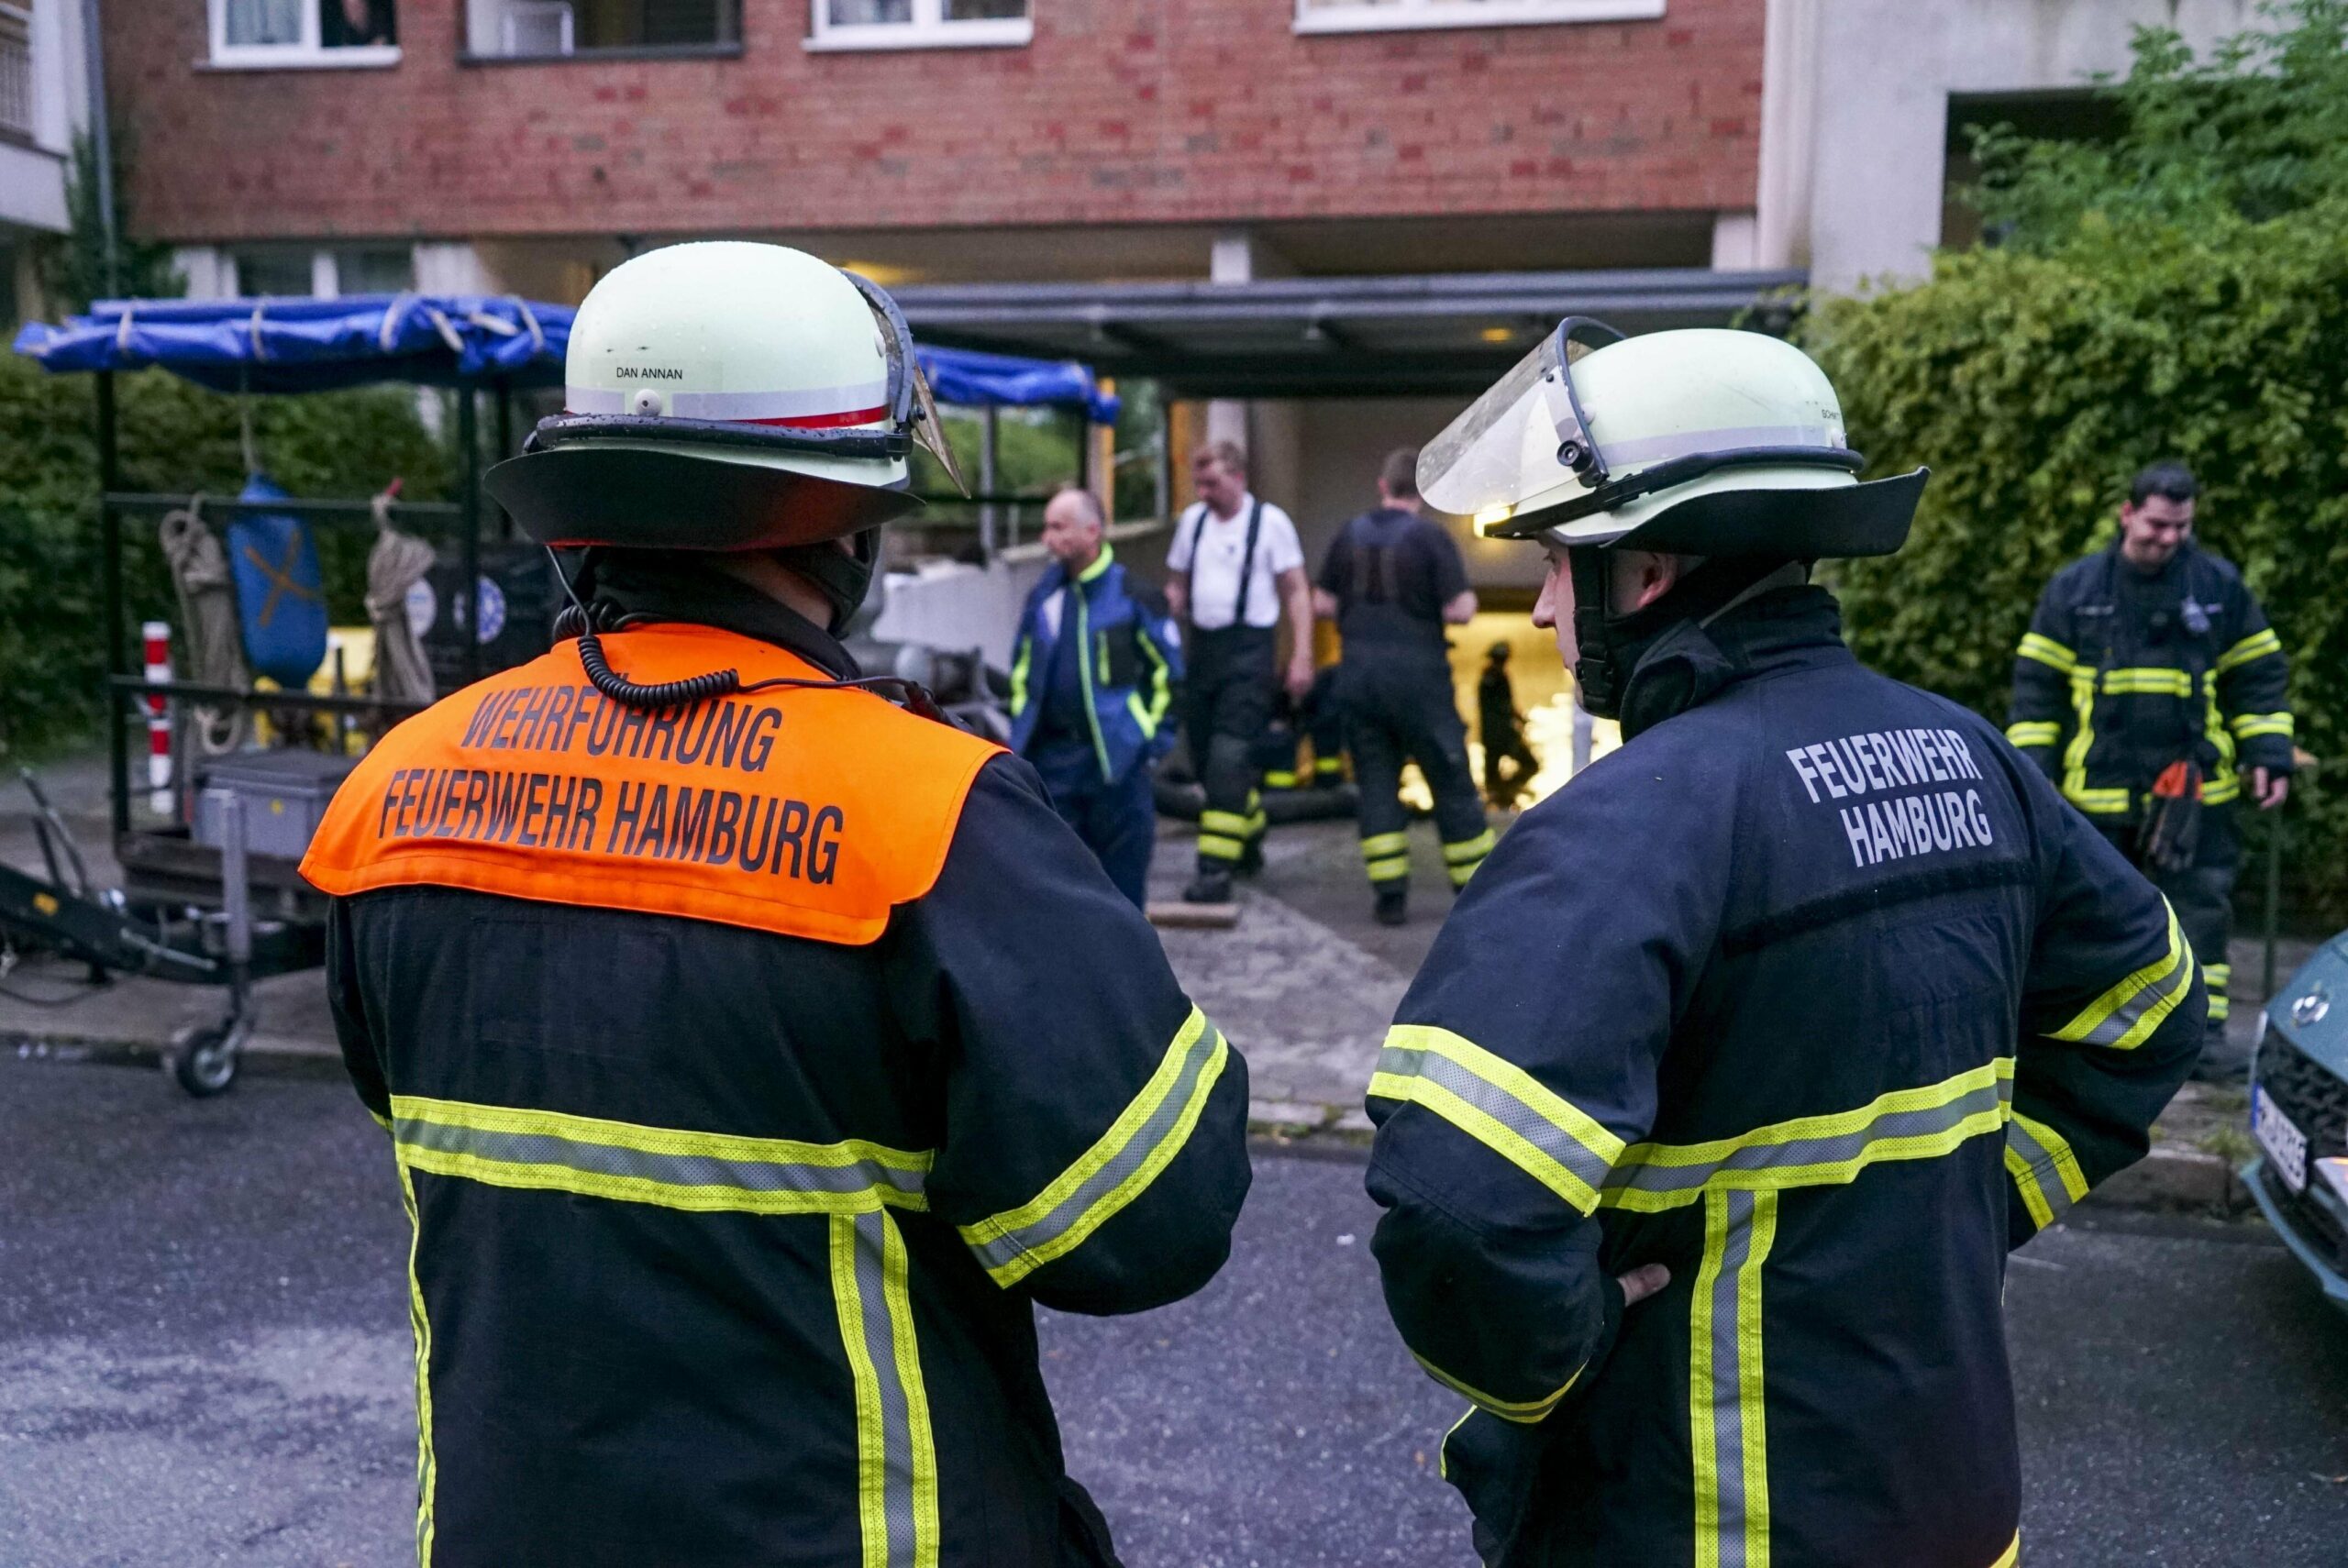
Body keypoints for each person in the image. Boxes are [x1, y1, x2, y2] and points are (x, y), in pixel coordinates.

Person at [300, 242, 1251, 1568]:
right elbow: (1153, 1217)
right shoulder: (931, 815)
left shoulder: (394, 793)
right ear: (847, 522)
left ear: (584, 501)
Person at [1366, 322, 2199, 1568]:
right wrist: (1961, 1211)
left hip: (1712, 1521)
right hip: (1956, 1508)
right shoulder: (1969, 757)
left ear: (1644, 569)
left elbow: (1456, 1211)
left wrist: (1572, 1347)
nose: (1542, 607)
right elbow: (2154, 1007)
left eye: (1555, 561)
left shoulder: (1627, 827)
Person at [2007, 461, 2291, 1079]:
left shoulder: (2217, 588)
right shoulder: (2076, 590)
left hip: (2195, 798)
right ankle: (2098, 1043)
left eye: (2181, 528)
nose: (2168, 538)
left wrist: (2267, 753)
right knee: (2095, 922)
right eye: (2158, 525)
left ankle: (2201, 1043)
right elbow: (2037, 693)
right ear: (2128, 514)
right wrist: (2032, 775)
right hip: (2096, 795)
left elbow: (2259, 676)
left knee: (2201, 920)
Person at [1314, 447, 1490, 926]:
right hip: (1420, 683)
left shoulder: (1348, 534)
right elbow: (1462, 609)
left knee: (1376, 786)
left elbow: (1321, 603)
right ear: (1423, 492)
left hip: (1359, 680)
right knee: (1451, 783)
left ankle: (1389, 898)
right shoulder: (1432, 539)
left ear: (1382, 485)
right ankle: (1475, 893)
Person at [1006, 485, 1181, 909]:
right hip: (1054, 765)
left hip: (1116, 768)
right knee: (1060, 896)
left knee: (1122, 898)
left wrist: (1147, 742)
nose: (1047, 539)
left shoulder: (1134, 596)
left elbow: (1170, 675)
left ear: (1092, 532)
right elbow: (1022, 673)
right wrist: (1022, 736)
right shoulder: (1044, 595)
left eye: (1058, 528)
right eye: (1046, 528)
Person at [1164, 439, 1315, 903]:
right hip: (1203, 652)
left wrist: (1302, 654)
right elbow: (1177, 583)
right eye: (1199, 484)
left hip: (1250, 655)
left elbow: (1296, 591)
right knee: (1207, 760)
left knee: (1230, 759)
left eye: (1211, 483)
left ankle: (1213, 872)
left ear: (1238, 477)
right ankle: (1248, 837)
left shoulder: (1270, 524)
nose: (1203, 492)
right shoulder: (1192, 523)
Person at [1477, 642, 1537, 809]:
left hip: (1493, 734)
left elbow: (1506, 705)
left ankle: (1504, 792)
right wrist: (1518, 721)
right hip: (1501, 734)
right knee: (1531, 765)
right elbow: (1503, 707)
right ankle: (1505, 792)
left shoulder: (1490, 676)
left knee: (1492, 775)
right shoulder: (1494, 677)